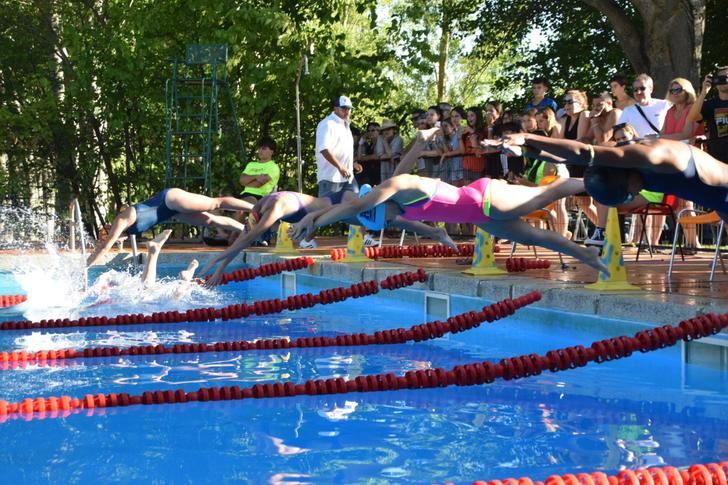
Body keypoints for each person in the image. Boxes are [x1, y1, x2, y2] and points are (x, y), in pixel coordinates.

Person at [290, 129, 608, 274]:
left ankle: (598, 179)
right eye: (384, 225)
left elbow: (354, 207)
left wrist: (311, 220)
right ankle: (588, 255)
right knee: (537, 236)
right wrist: (421, 141)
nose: (388, 224)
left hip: (487, 196)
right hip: (482, 216)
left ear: (377, 203)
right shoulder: (399, 203)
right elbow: (400, 169)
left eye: (382, 219)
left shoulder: (398, 188)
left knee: (549, 192)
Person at [198, 189, 455, 286]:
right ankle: (435, 231)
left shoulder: (276, 207)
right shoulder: (260, 209)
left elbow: (246, 238)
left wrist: (216, 261)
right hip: (329, 209)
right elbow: (245, 237)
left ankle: (436, 223)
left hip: (336, 203)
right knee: (388, 219)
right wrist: (221, 268)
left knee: (389, 217)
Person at [492, 132, 728, 220]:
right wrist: (524, 149)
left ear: (622, 175)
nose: (634, 194)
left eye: (628, 193)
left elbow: (582, 152)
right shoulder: (627, 167)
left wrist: (527, 137)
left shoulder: (653, 156)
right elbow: (567, 158)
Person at [86, 188, 253, 266]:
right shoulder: (125, 231)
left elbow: (104, 248)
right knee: (210, 221)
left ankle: (255, 208)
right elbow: (113, 241)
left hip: (171, 199)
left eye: (105, 234)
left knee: (215, 203)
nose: (107, 238)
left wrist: (84, 268)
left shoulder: (123, 219)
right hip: (171, 212)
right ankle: (246, 229)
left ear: (109, 226)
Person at [581, 123, 665, 246]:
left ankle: (601, 234)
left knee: (607, 199)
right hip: (636, 192)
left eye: (624, 138)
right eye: (618, 139)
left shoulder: (642, 150)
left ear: (633, 135)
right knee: (602, 196)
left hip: (651, 194)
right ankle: (603, 235)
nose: (621, 142)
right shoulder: (623, 155)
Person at [311, 95, 363, 249]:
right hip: (330, 177)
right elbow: (324, 149)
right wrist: (340, 166)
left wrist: (352, 164)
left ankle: (363, 238)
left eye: (349, 109)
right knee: (324, 211)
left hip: (347, 177)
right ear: (335, 108)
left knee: (358, 204)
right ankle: (306, 237)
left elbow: (342, 150)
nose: (347, 111)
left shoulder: (345, 125)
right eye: (344, 108)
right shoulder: (327, 124)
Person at [687, 65, 728, 164]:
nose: (724, 80)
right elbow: (692, 117)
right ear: (715, 82)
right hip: (717, 160)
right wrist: (703, 92)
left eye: (726, 77)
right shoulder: (709, 105)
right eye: (720, 78)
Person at [617, 73, 669, 138]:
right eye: (635, 90)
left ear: (651, 89)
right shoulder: (628, 111)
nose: (638, 92)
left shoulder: (664, 105)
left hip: (662, 144)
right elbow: (618, 132)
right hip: (639, 146)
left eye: (642, 88)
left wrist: (658, 137)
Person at [238, 137, 280, 205]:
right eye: (259, 148)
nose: (260, 151)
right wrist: (257, 176)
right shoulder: (251, 164)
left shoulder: (273, 167)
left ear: (272, 152)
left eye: (263, 148)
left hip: (260, 197)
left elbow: (258, 184)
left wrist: (246, 182)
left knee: (242, 208)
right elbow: (241, 180)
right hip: (244, 195)